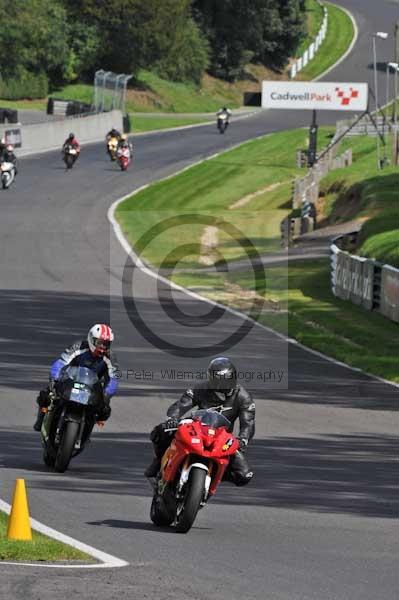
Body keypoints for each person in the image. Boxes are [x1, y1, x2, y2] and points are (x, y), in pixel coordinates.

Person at [144, 357, 255, 486]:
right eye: (216, 381)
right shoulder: (201, 388)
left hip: (221, 437)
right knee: (161, 430)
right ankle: (158, 461)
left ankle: (215, 474)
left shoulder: (243, 397)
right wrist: (172, 419)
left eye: (225, 381)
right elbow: (181, 405)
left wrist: (242, 440)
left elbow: (248, 423)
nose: (220, 386)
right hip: (195, 428)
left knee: (244, 475)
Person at [33, 324, 119, 432]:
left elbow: (114, 379)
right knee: (46, 396)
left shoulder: (110, 357)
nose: (102, 348)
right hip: (70, 380)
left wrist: (106, 395)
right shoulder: (78, 347)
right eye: (99, 343)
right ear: (91, 339)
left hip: (92, 388)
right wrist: (53, 380)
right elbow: (60, 363)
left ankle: (85, 433)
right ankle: (40, 420)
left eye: (106, 344)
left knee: (104, 411)